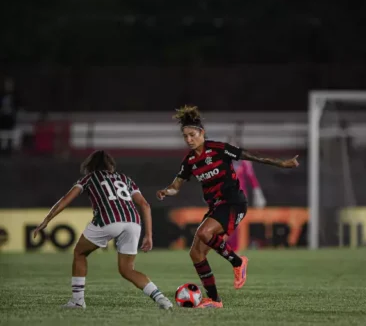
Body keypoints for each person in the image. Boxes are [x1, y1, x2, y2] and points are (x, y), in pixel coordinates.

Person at [156, 105, 299, 308]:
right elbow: (176, 185)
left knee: (205, 233)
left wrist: (281, 164)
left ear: (202, 133)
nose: (189, 139)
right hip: (216, 207)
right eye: (185, 136)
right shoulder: (189, 161)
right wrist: (166, 191)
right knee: (195, 254)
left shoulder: (219, 149)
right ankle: (215, 300)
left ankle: (238, 262)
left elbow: (251, 157)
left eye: (192, 134)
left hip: (233, 203)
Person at [32, 150, 172, 310]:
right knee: (127, 270)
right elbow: (145, 205)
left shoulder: (89, 178)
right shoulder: (125, 179)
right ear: (110, 165)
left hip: (108, 220)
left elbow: (65, 200)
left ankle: (78, 301)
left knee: (79, 253)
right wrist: (148, 235)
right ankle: (162, 299)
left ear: (90, 166)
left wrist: (47, 219)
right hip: (133, 221)